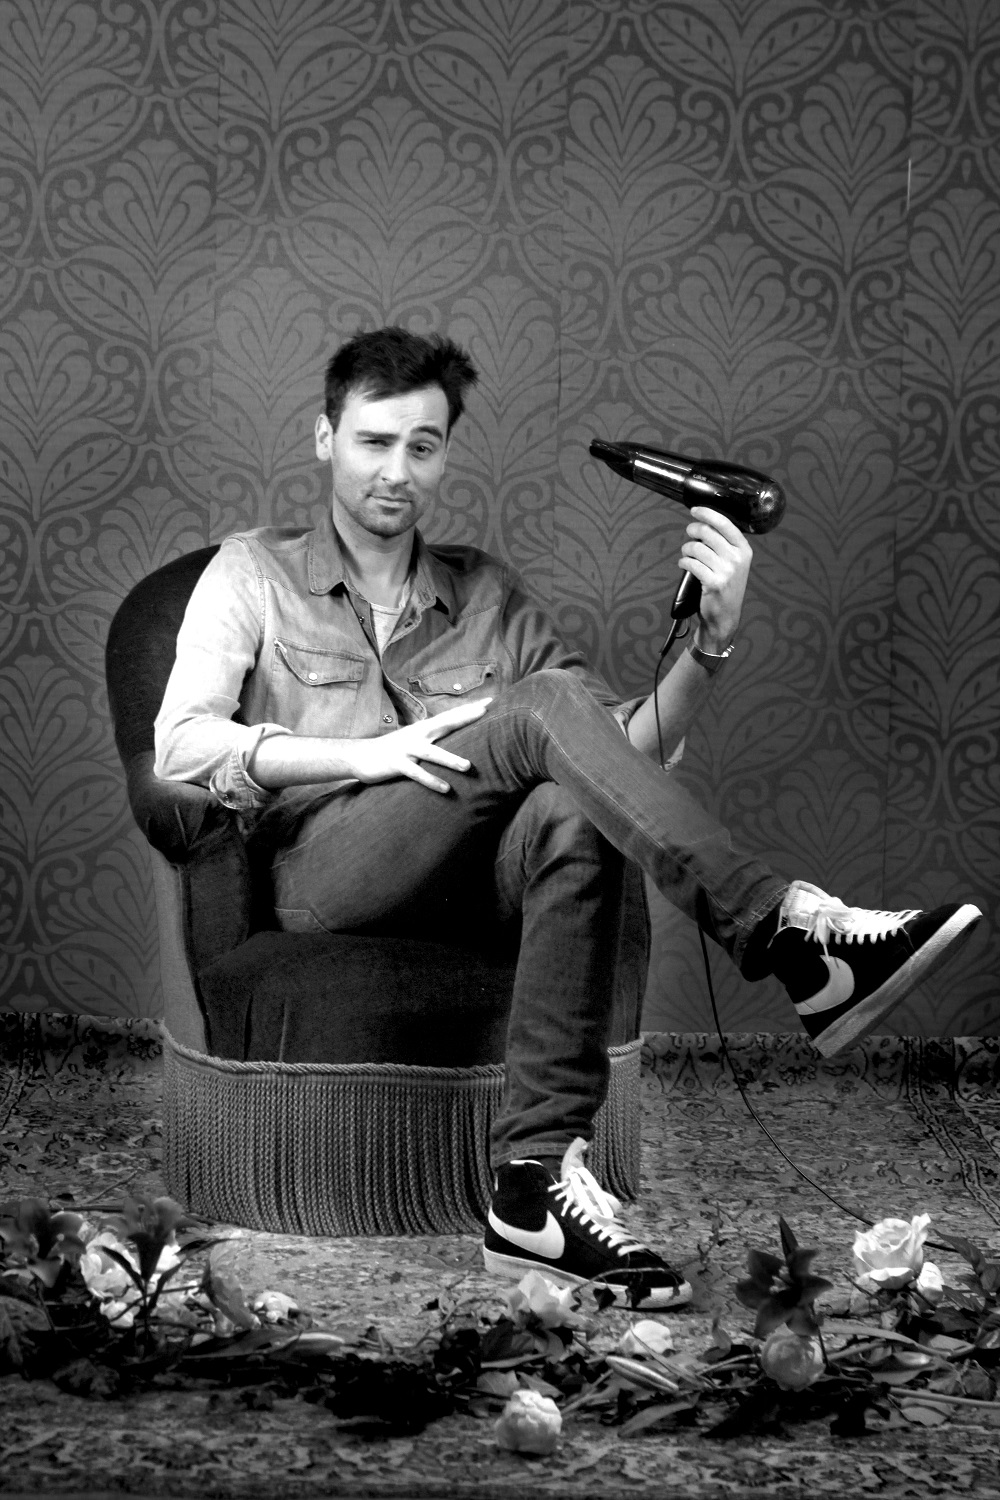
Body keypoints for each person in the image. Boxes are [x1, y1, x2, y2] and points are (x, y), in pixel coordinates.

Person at [154, 327, 981, 1311]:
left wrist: (709, 646)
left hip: (470, 882)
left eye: (423, 446)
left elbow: (618, 758)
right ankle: (787, 931)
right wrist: (360, 756)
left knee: (570, 806)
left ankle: (533, 1186)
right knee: (543, 703)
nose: (397, 470)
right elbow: (181, 745)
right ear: (325, 436)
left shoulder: (486, 592)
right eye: (373, 441)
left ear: (446, 454)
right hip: (323, 874)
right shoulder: (251, 572)